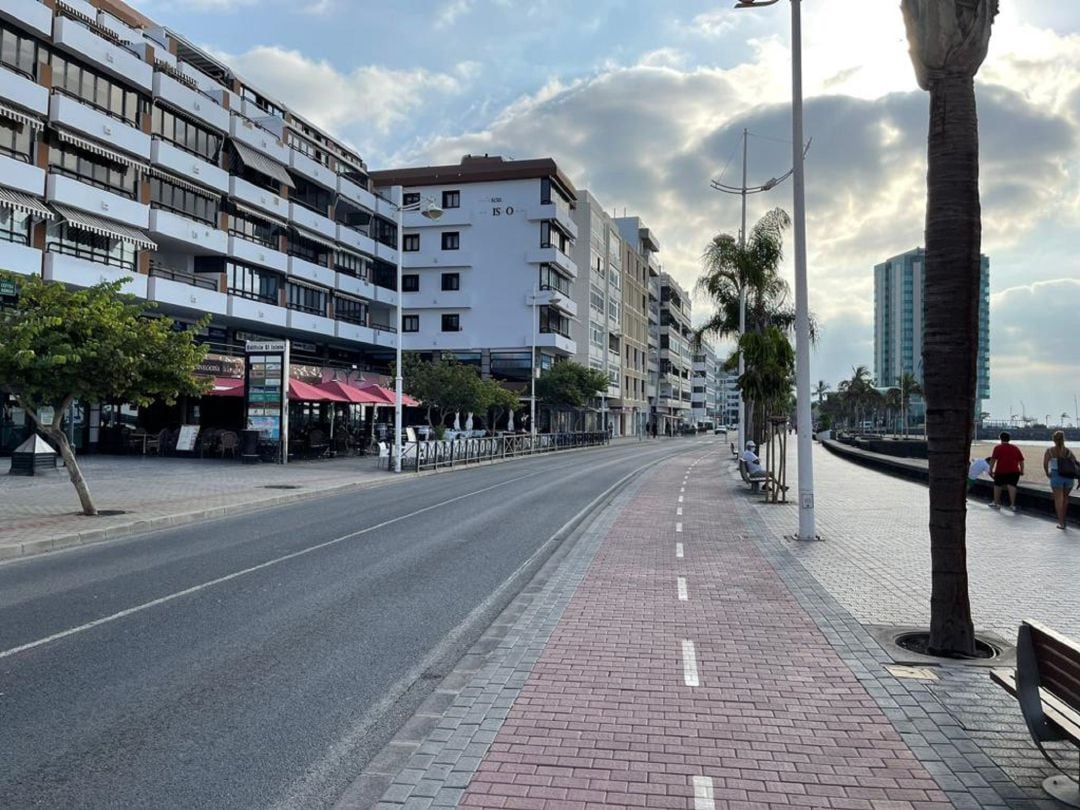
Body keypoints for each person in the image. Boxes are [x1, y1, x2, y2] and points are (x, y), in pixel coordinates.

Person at [1043, 430, 1077, 530]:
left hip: (1056, 475)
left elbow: (1045, 464)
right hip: (1068, 477)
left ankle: (1061, 523)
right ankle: (1064, 519)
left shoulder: (1050, 451)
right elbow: (1075, 463)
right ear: (1064, 439)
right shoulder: (1068, 451)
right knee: (1065, 498)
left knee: (1058, 499)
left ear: (1053, 439)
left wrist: (1047, 473)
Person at [989, 431, 1024, 511]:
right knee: (1012, 486)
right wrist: (1022, 470)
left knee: (997, 485)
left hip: (1001, 470)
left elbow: (993, 460)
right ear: (1009, 439)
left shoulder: (997, 448)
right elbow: (1021, 460)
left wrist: (990, 469)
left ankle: (996, 503)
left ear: (1000, 438)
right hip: (1014, 471)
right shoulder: (1015, 448)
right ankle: (1012, 505)